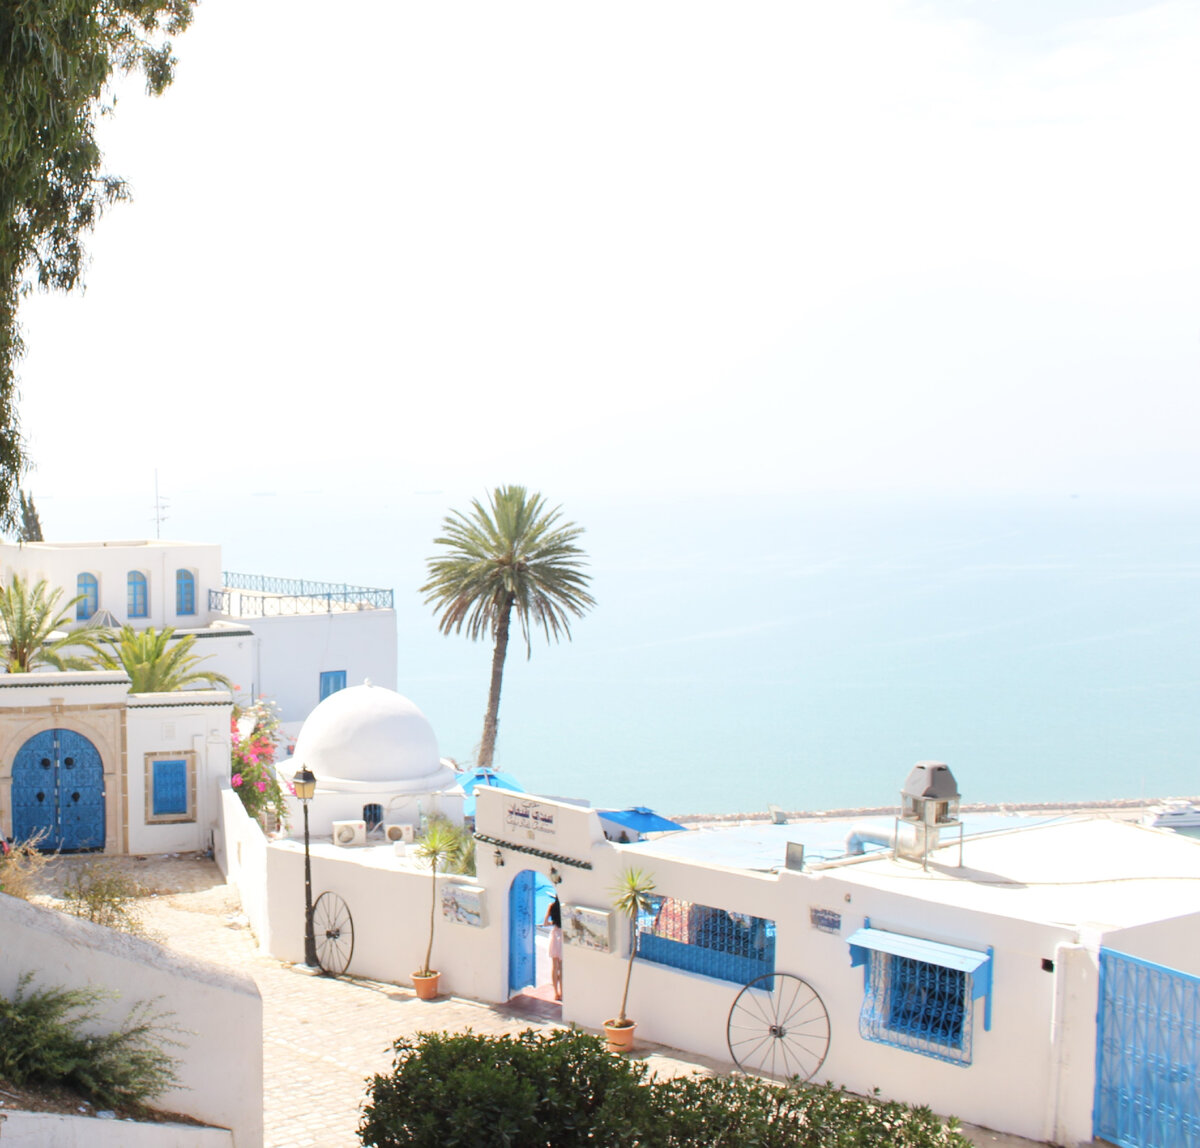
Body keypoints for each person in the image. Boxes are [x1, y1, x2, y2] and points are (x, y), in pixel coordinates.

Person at [543, 896, 563, 1000]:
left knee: (554, 967)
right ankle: (562, 992)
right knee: (562, 967)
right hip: (563, 936)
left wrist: (553, 923)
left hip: (555, 935)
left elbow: (545, 923)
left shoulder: (551, 906)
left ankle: (556, 993)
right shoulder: (564, 907)